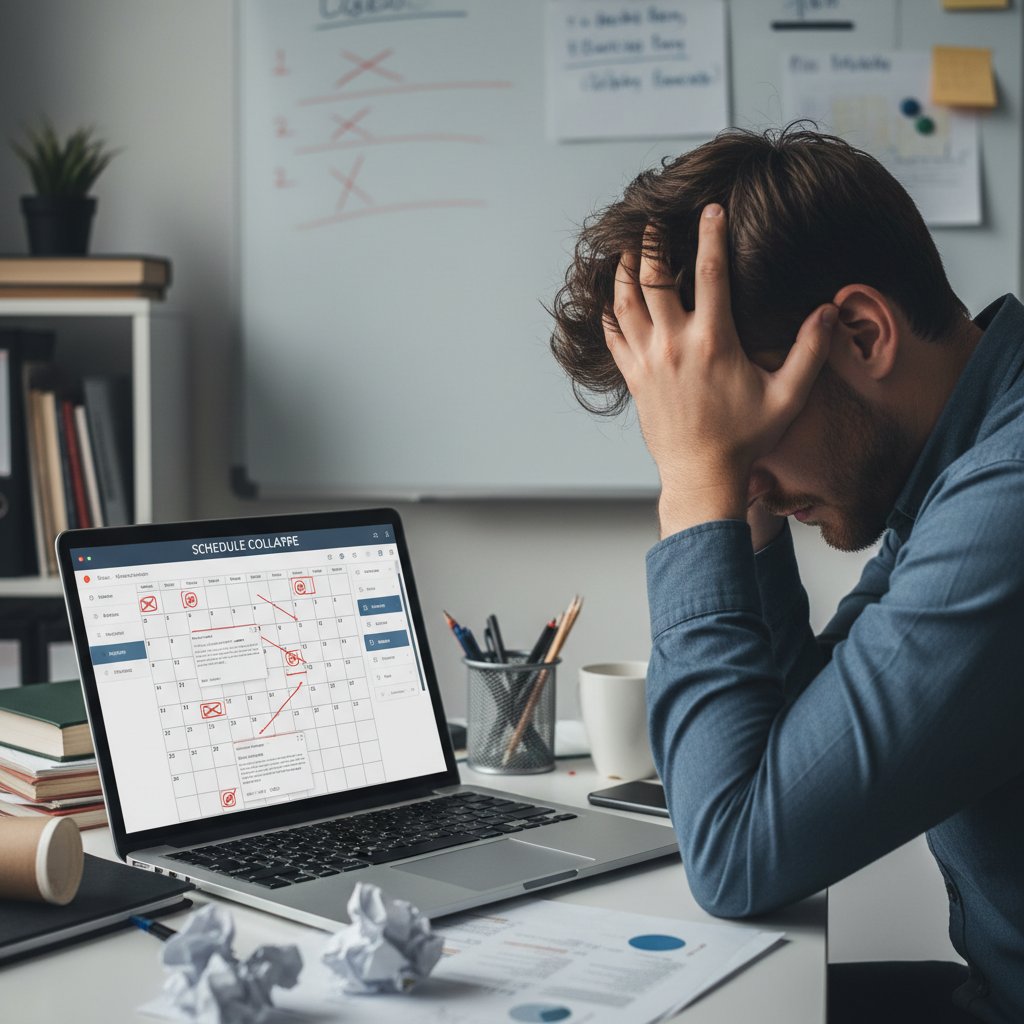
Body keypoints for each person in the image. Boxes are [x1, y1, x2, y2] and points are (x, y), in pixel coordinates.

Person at [549, 126, 1024, 1024]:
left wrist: (701, 488)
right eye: (717, 426)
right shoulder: (964, 457)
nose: (733, 464)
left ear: (861, 332)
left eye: (741, 421)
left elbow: (737, 853)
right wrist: (740, 485)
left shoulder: (1008, 503)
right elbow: (802, 732)